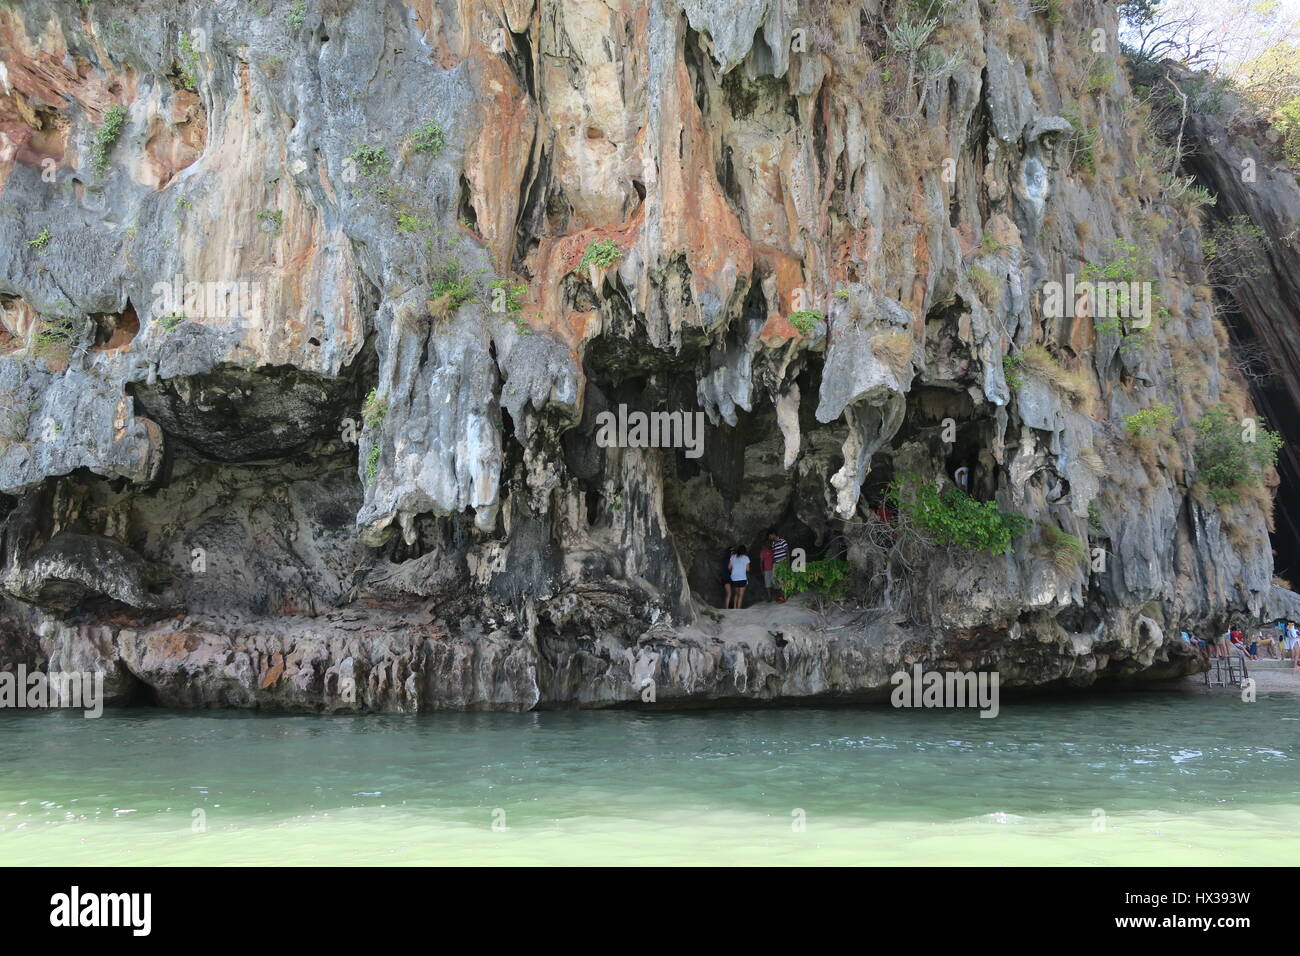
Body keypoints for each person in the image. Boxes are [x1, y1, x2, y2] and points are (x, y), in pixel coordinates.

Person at [767, 529, 790, 603]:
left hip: (782, 563)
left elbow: (787, 551)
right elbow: (774, 553)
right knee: (774, 579)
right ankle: (782, 594)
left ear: (773, 534)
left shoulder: (782, 541)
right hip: (776, 563)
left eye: (769, 536)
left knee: (781, 579)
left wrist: (788, 562)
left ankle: (783, 596)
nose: (769, 537)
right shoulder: (773, 543)